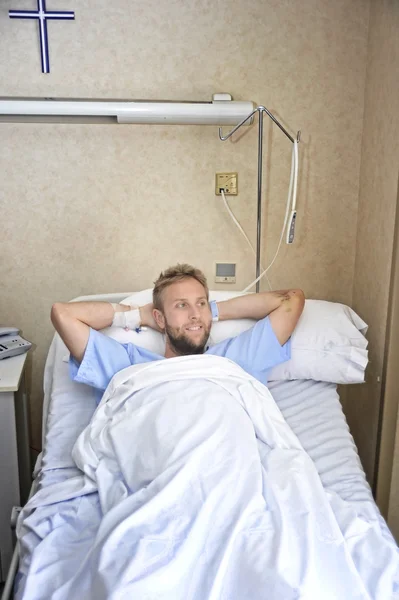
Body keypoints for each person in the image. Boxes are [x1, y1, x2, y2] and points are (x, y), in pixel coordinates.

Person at [51, 263, 305, 400]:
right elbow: (64, 314)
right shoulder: (130, 364)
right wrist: (139, 315)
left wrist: (210, 311)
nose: (194, 314)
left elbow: (291, 300)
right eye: (181, 305)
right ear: (160, 318)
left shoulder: (236, 357)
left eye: (201, 303)